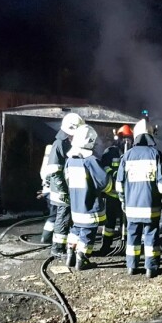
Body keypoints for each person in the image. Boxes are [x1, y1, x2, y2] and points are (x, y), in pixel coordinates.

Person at [116, 118, 162, 278]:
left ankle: (131, 267)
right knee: (151, 237)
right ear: (151, 135)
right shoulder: (156, 154)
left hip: (131, 208)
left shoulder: (127, 156)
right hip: (150, 207)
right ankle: (151, 269)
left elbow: (119, 184)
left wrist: (123, 201)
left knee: (132, 237)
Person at [64, 124, 113, 270]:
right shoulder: (90, 160)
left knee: (76, 229)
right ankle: (82, 259)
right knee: (88, 231)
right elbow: (104, 182)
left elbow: (67, 180)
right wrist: (113, 187)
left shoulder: (70, 160)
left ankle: (70, 255)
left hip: (76, 203)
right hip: (89, 203)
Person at [45, 112, 85, 257]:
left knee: (64, 216)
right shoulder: (60, 144)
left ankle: (61, 244)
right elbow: (55, 170)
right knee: (63, 217)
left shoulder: (65, 142)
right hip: (60, 189)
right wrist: (62, 190)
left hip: (64, 188)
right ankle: (57, 248)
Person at [98, 125, 134, 253]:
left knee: (128, 221)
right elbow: (104, 168)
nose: (126, 142)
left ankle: (128, 245)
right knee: (109, 223)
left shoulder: (133, 153)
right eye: (124, 138)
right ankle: (106, 246)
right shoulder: (110, 152)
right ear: (118, 138)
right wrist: (115, 175)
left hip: (128, 195)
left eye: (129, 139)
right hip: (112, 194)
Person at [37, 144, 56, 244]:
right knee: (54, 215)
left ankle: (48, 236)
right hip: (52, 192)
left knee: (52, 214)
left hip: (47, 191)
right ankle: (46, 237)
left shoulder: (47, 162)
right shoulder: (54, 162)